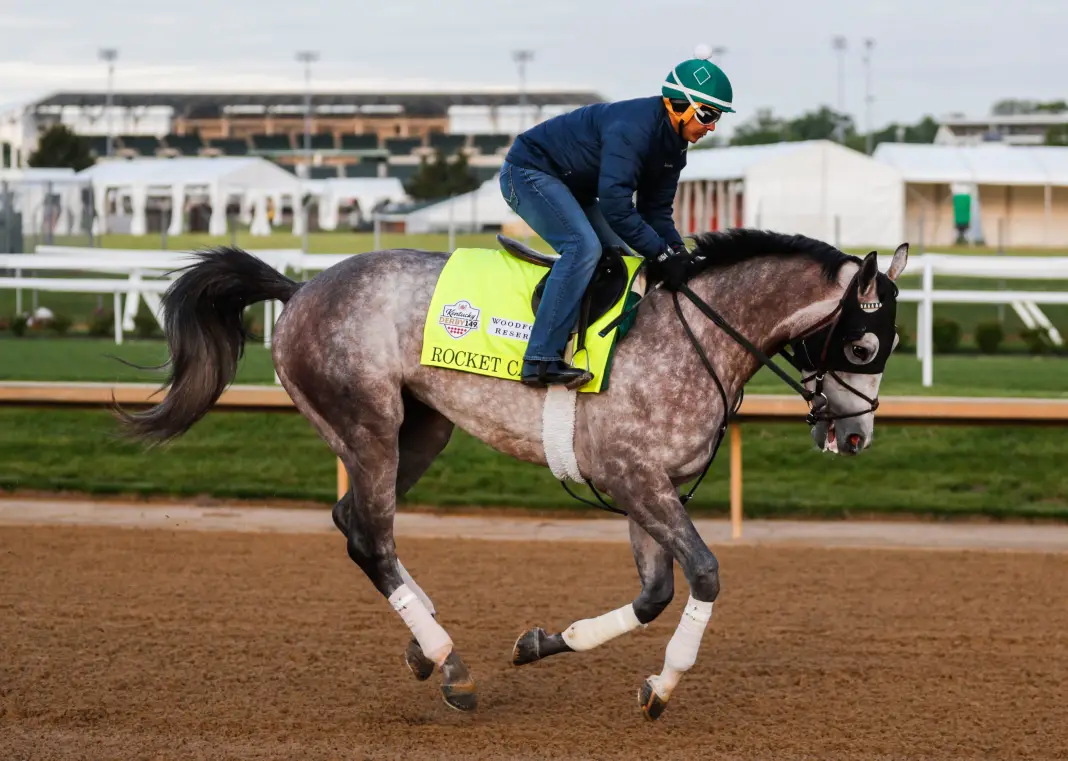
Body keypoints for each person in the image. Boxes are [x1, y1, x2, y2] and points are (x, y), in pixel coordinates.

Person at [499, 46, 735, 387]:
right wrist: (661, 253)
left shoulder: (675, 146)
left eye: (718, 117)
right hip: (528, 172)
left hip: (571, 187)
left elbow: (655, 212)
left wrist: (677, 254)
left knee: (622, 258)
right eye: (708, 115)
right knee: (583, 248)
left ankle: (599, 349)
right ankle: (540, 359)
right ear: (678, 105)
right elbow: (616, 207)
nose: (712, 127)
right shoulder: (632, 129)